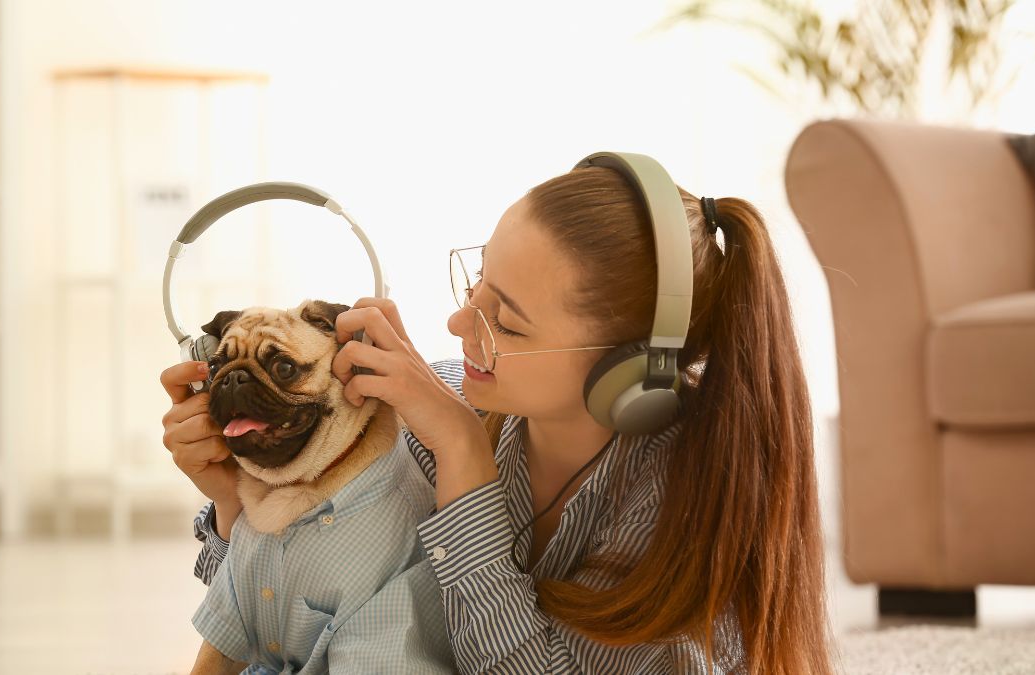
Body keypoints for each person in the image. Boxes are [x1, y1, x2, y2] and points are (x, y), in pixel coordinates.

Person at [160, 160, 835, 673]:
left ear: (628, 371)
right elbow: (310, 612)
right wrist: (235, 504)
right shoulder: (444, 408)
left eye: (503, 320)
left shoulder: (675, 498)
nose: (457, 323)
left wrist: (463, 457)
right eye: (475, 283)